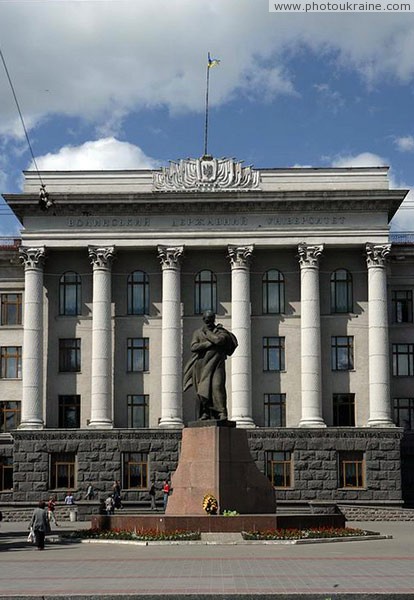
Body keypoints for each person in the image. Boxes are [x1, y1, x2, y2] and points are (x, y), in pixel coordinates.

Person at [183, 310, 238, 420]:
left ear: (214, 319)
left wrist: (207, 334)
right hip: (201, 366)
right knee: (203, 390)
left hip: (217, 364)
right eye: (206, 320)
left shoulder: (221, 331)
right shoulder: (198, 333)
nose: (208, 322)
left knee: (217, 387)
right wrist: (208, 344)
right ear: (203, 320)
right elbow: (193, 347)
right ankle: (205, 413)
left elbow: (218, 341)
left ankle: (222, 413)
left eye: (210, 319)